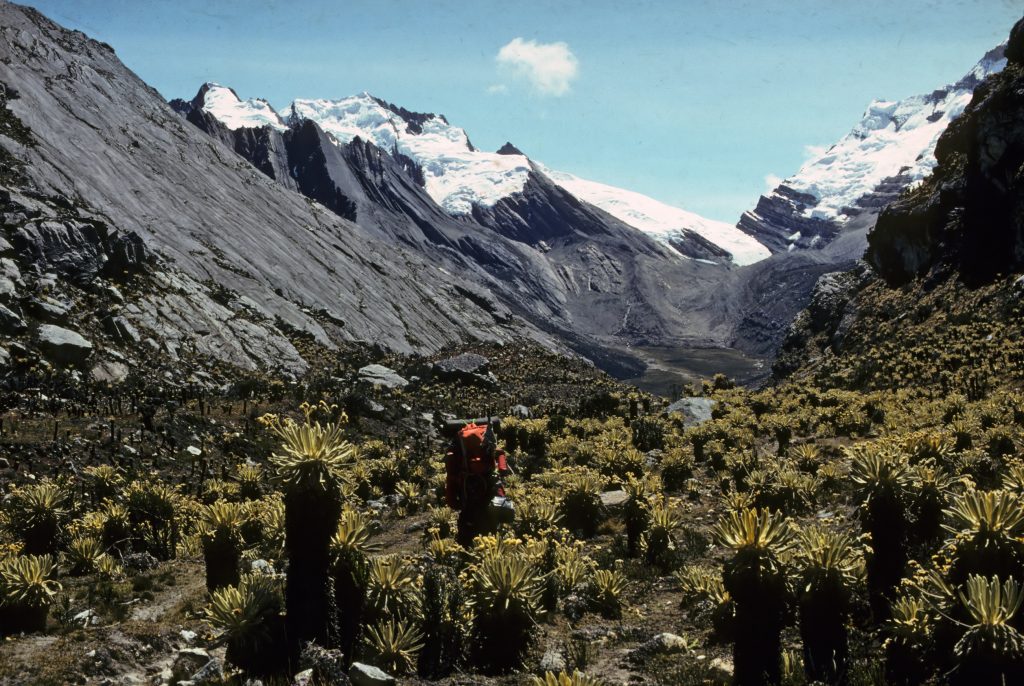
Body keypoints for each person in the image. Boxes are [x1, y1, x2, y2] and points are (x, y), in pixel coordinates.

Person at [444, 419, 508, 546]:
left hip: (469, 492)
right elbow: (500, 455)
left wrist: (452, 501)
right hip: (488, 485)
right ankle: (495, 543)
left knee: (468, 518)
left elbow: (451, 478)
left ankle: (465, 547)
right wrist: (502, 469)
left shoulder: (456, 453)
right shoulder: (486, 443)